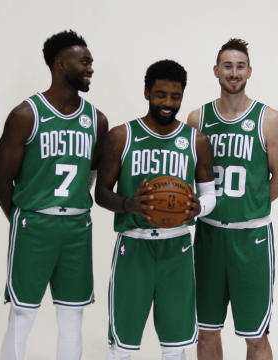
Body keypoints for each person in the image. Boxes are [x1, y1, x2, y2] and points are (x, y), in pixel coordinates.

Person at [0, 30, 108, 360]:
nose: (90, 68)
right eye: (83, 61)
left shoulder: (96, 120)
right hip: (33, 225)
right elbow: (2, 180)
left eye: (91, 62)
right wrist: (21, 219)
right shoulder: (26, 115)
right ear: (60, 64)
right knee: (22, 314)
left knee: (72, 316)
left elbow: (91, 174)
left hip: (76, 228)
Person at [95, 59, 216, 360]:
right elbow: (100, 193)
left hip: (176, 248)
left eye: (175, 97)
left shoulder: (196, 141)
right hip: (133, 246)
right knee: (122, 344)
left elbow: (210, 195)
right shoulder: (121, 136)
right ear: (147, 91)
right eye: (161, 95)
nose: (168, 103)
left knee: (176, 346)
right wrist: (127, 204)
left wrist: (198, 209)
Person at [186, 38, 278, 360]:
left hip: (252, 239)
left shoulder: (269, 119)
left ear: (250, 71)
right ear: (216, 70)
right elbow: (186, 179)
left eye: (240, 66)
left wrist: (249, 206)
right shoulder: (196, 119)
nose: (234, 73)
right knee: (205, 333)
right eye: (227, 66)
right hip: (209, 235)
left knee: (256, 337)